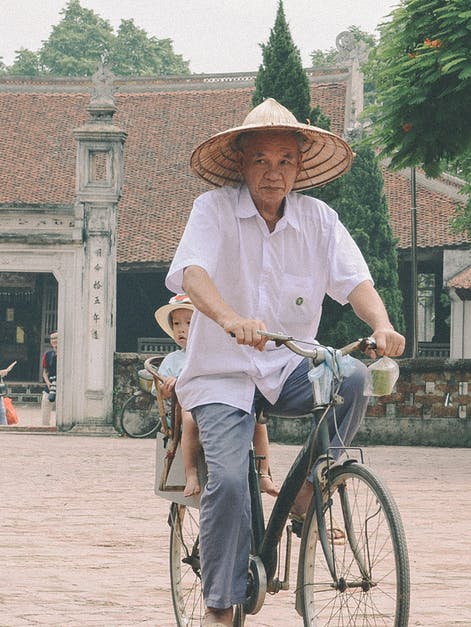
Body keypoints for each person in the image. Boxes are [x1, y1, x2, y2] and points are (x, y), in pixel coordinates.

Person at [166, 97, 405, 624]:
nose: (273, 173)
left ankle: (305, 493)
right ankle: (220, 605)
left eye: (285, 161)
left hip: (287, 368)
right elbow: (191, 274)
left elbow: (355, 281)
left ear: (299, 166)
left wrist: (382, 325)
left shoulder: (319, 219)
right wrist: (229, 319)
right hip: (222, 374)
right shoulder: (213, 210)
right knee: (228, 483)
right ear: (242, 163)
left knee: (353, 377)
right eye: (261, 160)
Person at [153, 294, 278, 498]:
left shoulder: (216, 353)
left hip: (220, 402)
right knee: (189, 417)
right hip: (187, 407)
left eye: (188, 323)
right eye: (176, 324)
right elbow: (161, 391)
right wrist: (169, 388)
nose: (181, 329)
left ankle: (264, 472)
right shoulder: (173, 360)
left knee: (257, 419)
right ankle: (191, 473)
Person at [40, 332, 58, 426]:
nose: (54, 341)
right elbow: (45, 372)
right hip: (50, 385)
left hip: (62, 386)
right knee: (45, 404)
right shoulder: (48, 355)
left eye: (56, 338)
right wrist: (47, 382)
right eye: (52, 339)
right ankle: (45, 427)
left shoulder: (66, 354)